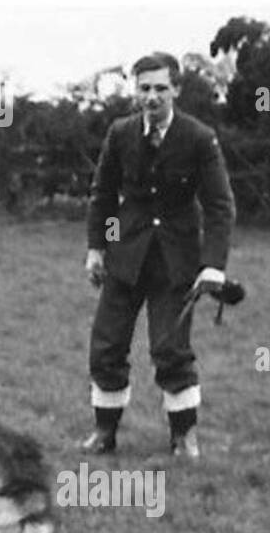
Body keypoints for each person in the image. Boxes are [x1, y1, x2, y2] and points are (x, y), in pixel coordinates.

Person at [82, 52, 235, 459]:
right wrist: (96, 248)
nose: (152, 97)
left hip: (175, 263)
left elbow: (220, 206)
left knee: (170, 350)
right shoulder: (120, 133)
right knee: (107, 346)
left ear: (176, 90)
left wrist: (213, 267)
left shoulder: (199, 138)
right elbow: (101, 195)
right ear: (136, 91)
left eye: (160, 88)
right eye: (144, 88)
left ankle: (183, 436)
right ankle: (104, 432)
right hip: (125, 259)